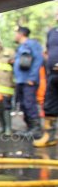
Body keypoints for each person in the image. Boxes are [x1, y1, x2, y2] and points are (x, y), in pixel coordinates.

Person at [13, 26, 44, 139]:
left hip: (28, 80)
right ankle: (29, 128)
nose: (15, 35)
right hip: (21, 80)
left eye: (16, 33)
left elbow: (38, 60)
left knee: (29, 103)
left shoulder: (32, 44)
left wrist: (32, 77)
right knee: (23, 104)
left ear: (21, 34)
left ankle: (36, 130)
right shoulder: (21, 46)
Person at [35, 13, 58, 147]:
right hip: (53, 75)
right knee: (49, 106)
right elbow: (49, 51)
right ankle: (50, 137)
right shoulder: (52, 32)